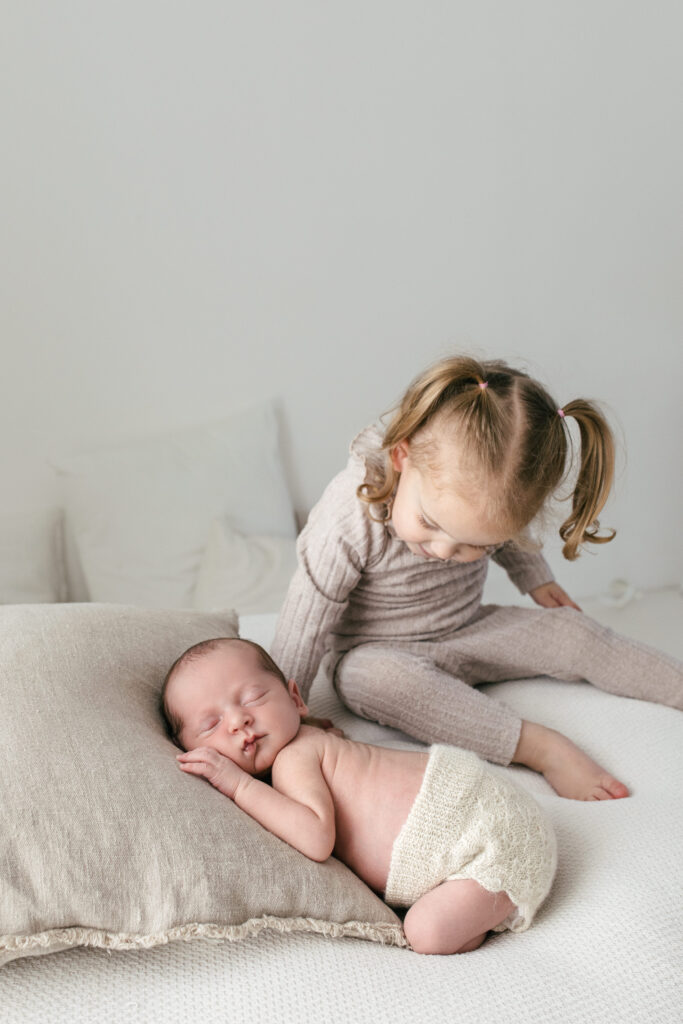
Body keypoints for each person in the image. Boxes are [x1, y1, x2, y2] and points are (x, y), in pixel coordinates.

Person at [270, 355, 683, 801]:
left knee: (573, 633)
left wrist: (535, 580)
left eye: (477, 546)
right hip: (377, 651)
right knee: (368, 680)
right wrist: (282, 711)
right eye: (430, 522)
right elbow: (304, 620)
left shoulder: (489, 503)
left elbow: (511, 536)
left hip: (469, 629)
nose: (447, 552)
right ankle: (539, 747)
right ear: (401, 456)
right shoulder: (350, 514)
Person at [161, 636, 558, 955]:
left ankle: (491, 910)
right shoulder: (317, 744)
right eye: (211, 724)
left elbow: (316, 838)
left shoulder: (295, 756)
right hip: (489, 812)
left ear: (295, 699)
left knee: (425, 933)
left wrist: (237, 784)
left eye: (253, 698)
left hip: (483, 834)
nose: (238, 720)